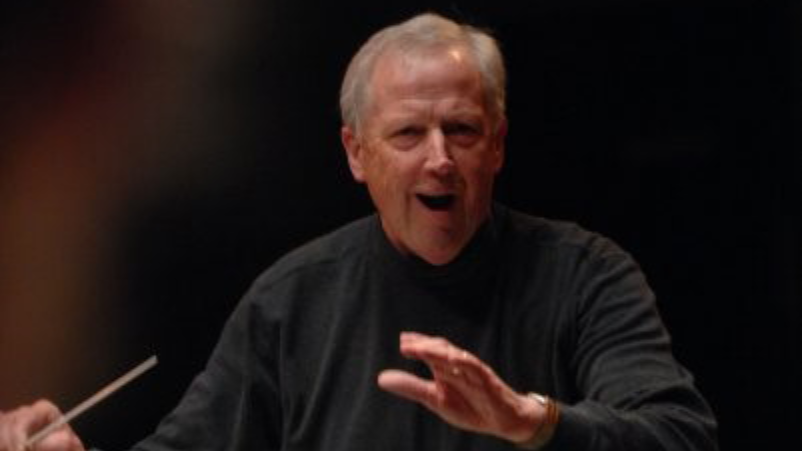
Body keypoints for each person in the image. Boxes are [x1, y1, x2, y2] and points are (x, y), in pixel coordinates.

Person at [0, 12, 718, 451]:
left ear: (497, 145)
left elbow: (681, 435)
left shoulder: (587, 276)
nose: (440, 158)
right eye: (408, 133)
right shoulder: (290, 300)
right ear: (355, 154)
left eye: (462, 130)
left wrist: (535, 421)